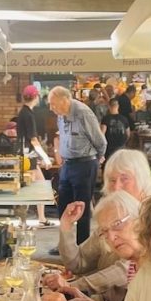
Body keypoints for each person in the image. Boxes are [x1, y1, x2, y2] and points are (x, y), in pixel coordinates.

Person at [44, 149, 151, 301]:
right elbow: (77, 263)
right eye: (111, 180)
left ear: (142, 180)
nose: (116, 187)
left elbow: (124, 270)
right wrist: (66, 226)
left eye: (125, 179)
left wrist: (71, 286)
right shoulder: (110, 219)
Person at [45, 190, 143, 301]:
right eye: (105, 231)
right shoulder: (134, 265)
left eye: (117, 225)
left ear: (141, 219)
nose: (111, 237)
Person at [48, 85, 106, 245]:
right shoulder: (61, 115)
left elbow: (101, 142)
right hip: (68, 164)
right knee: (63, 205)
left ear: (65, 100)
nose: (51, 108)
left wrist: (97, 159)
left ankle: (82, 246)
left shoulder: (83, 113)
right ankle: (65, 244)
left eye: (53, 104)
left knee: (82, 208)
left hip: (85, 164)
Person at [16, 84, 51, 226]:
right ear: (35, 97)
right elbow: (34, 140)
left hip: (24, 156)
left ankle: (35, 219)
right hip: (28, 157)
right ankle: (27, 220)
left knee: (34, 187)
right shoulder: (29, 115)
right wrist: (46, 157)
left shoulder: (23, 113)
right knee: (36, 187)